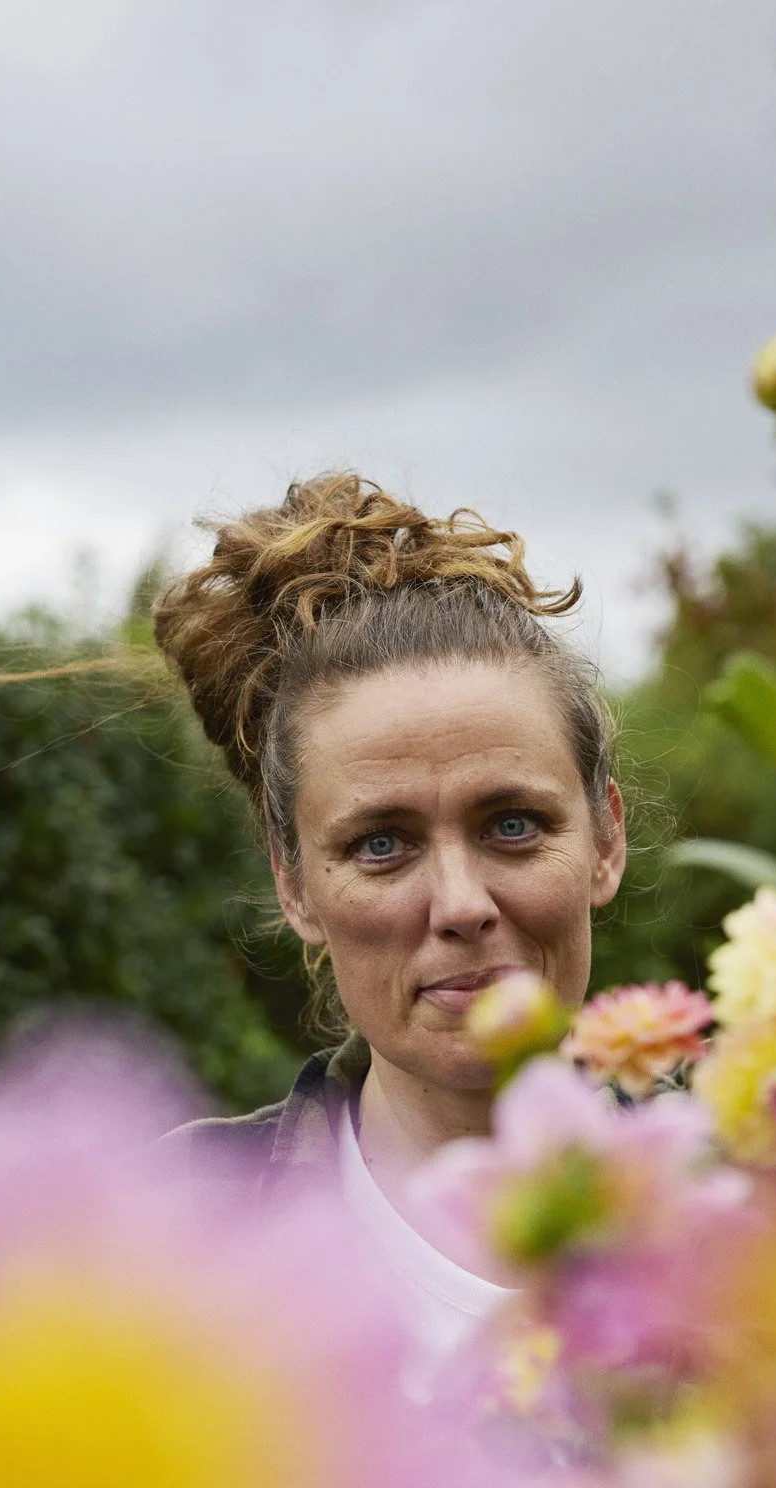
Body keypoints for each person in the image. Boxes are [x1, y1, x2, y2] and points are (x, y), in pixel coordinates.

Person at [157, 471, 627, 1366]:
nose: (460, 906)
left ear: (606, 841)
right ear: (294, 885)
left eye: (513, 825)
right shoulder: (169, 1233)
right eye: (381, 844)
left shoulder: (766, 1210)